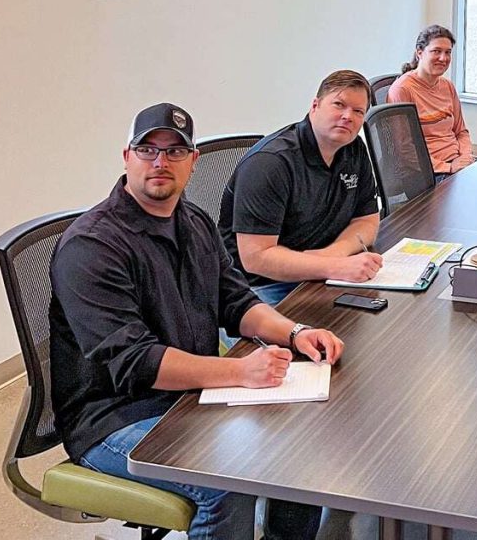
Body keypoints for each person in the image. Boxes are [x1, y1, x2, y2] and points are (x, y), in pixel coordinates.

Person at [50, 103, 345, 540]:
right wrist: (241, 371)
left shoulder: (193, 221)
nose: (160, 162)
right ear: (127, 156)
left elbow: (235, 300)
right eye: (148, 150)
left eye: (174, 152)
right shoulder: (92, 247)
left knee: (298, 437)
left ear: (193, 161)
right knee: (226, 482)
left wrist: (296, 332)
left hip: (191, 397)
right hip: (115, 417)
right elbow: (136, 362)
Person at [219, 70, 383, 306]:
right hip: (259, 286)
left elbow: (366, 221)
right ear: (315, 106)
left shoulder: (354, 148)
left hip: (318, 275)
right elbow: (256, 258)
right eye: (339, 104)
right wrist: (334, 266)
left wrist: (333, 255)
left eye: (358, 111)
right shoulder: (271, 162)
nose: (348, 116)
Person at [388, 24, 474, 182]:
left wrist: (466, 157)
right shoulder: (402, 89)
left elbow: (461, 131)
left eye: (448, 52)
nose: (443, 58)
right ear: (420, 53)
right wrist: (448, 167)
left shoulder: (447, 86)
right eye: (436, 51)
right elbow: (404, 149)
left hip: (456, 163)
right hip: (427, 171)